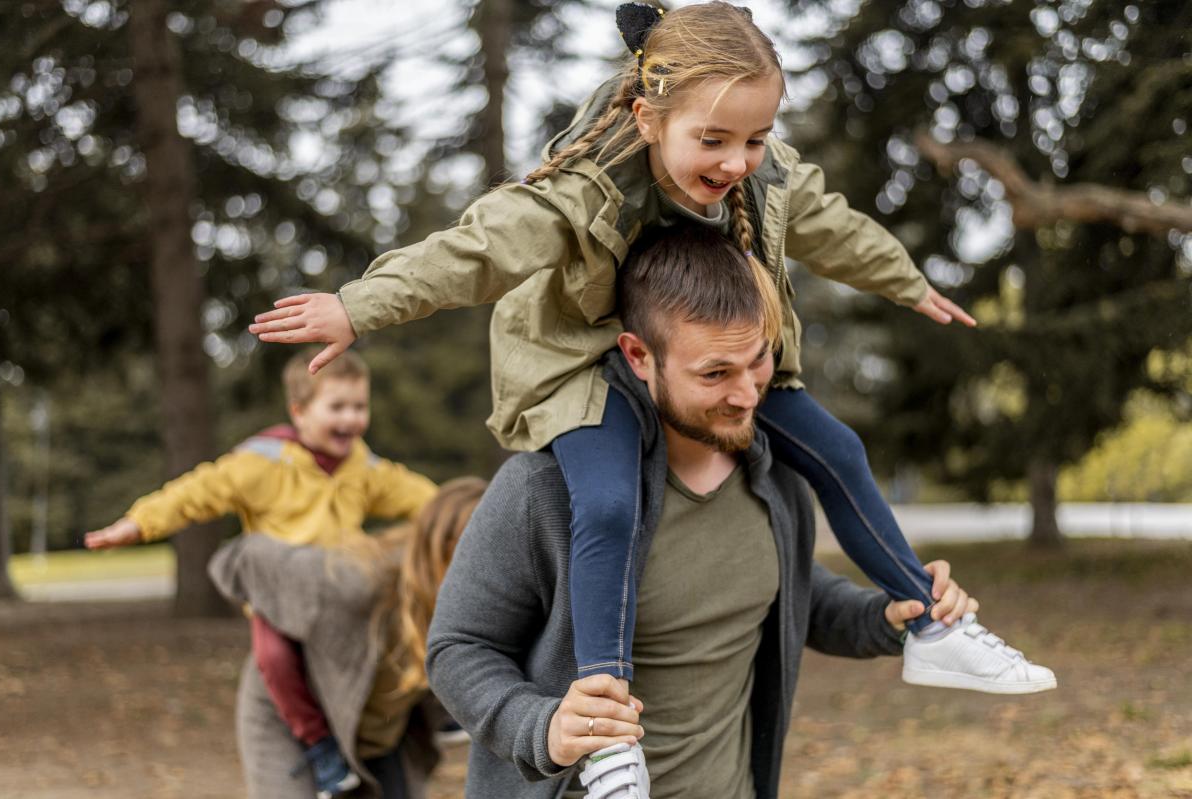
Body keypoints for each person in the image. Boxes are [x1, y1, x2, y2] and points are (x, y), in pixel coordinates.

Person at [249, 0, 1053, 784]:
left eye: (755, 137)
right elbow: (480, 247)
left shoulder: (763, 472)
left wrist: (906, 281)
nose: (737, 161)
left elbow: (826, 222)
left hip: (692, 366)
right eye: (714, 139)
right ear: (646, 118)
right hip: (584, 374)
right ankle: (607, 725)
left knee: (839, 449)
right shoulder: (586, 193)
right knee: (608, 504)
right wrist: (359, 305)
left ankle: (940, 626)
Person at [426, 224, 1030, 799]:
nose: (747, 395)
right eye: (715, 373)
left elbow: (787, 591)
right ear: (638, 355)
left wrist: (886, 618)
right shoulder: (544, 488)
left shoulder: (777, 476)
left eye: (759, 361)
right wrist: (543, 728)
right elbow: (458, 648)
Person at [84, 350, 438, 799]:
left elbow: (417, 496)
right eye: (338, 407)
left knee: (406, 619)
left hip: (337, 593)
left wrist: (463, 514)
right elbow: (198, 491)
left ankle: (437, 707)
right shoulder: (263, 462)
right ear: (299, 412)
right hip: (281, 596)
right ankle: (319, 745)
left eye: (360, 407)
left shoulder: (360, 468)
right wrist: (140, 523)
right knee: (274, 657)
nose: (352, 419)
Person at [209, 477, 487, 799]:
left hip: (374, 726)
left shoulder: (481, 600)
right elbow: (246, 556)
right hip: (294, 718)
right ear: (446, 544)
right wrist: (268, 621)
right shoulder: (353, 583)